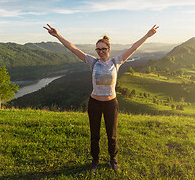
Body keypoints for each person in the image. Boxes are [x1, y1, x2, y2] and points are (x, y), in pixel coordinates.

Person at [43, 24, 159, 171]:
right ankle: (95, 160)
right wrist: (57, 35)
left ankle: (113, 159)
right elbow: (72, 48)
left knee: (112, 134)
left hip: (111, 103)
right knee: (94, 134)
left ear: (108, 49)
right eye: (98, 49)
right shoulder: (93, 62)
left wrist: (147, 35)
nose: (101, 52)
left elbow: (133, 48)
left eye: (103, 49)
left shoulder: (116, 62)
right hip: (94, 103)